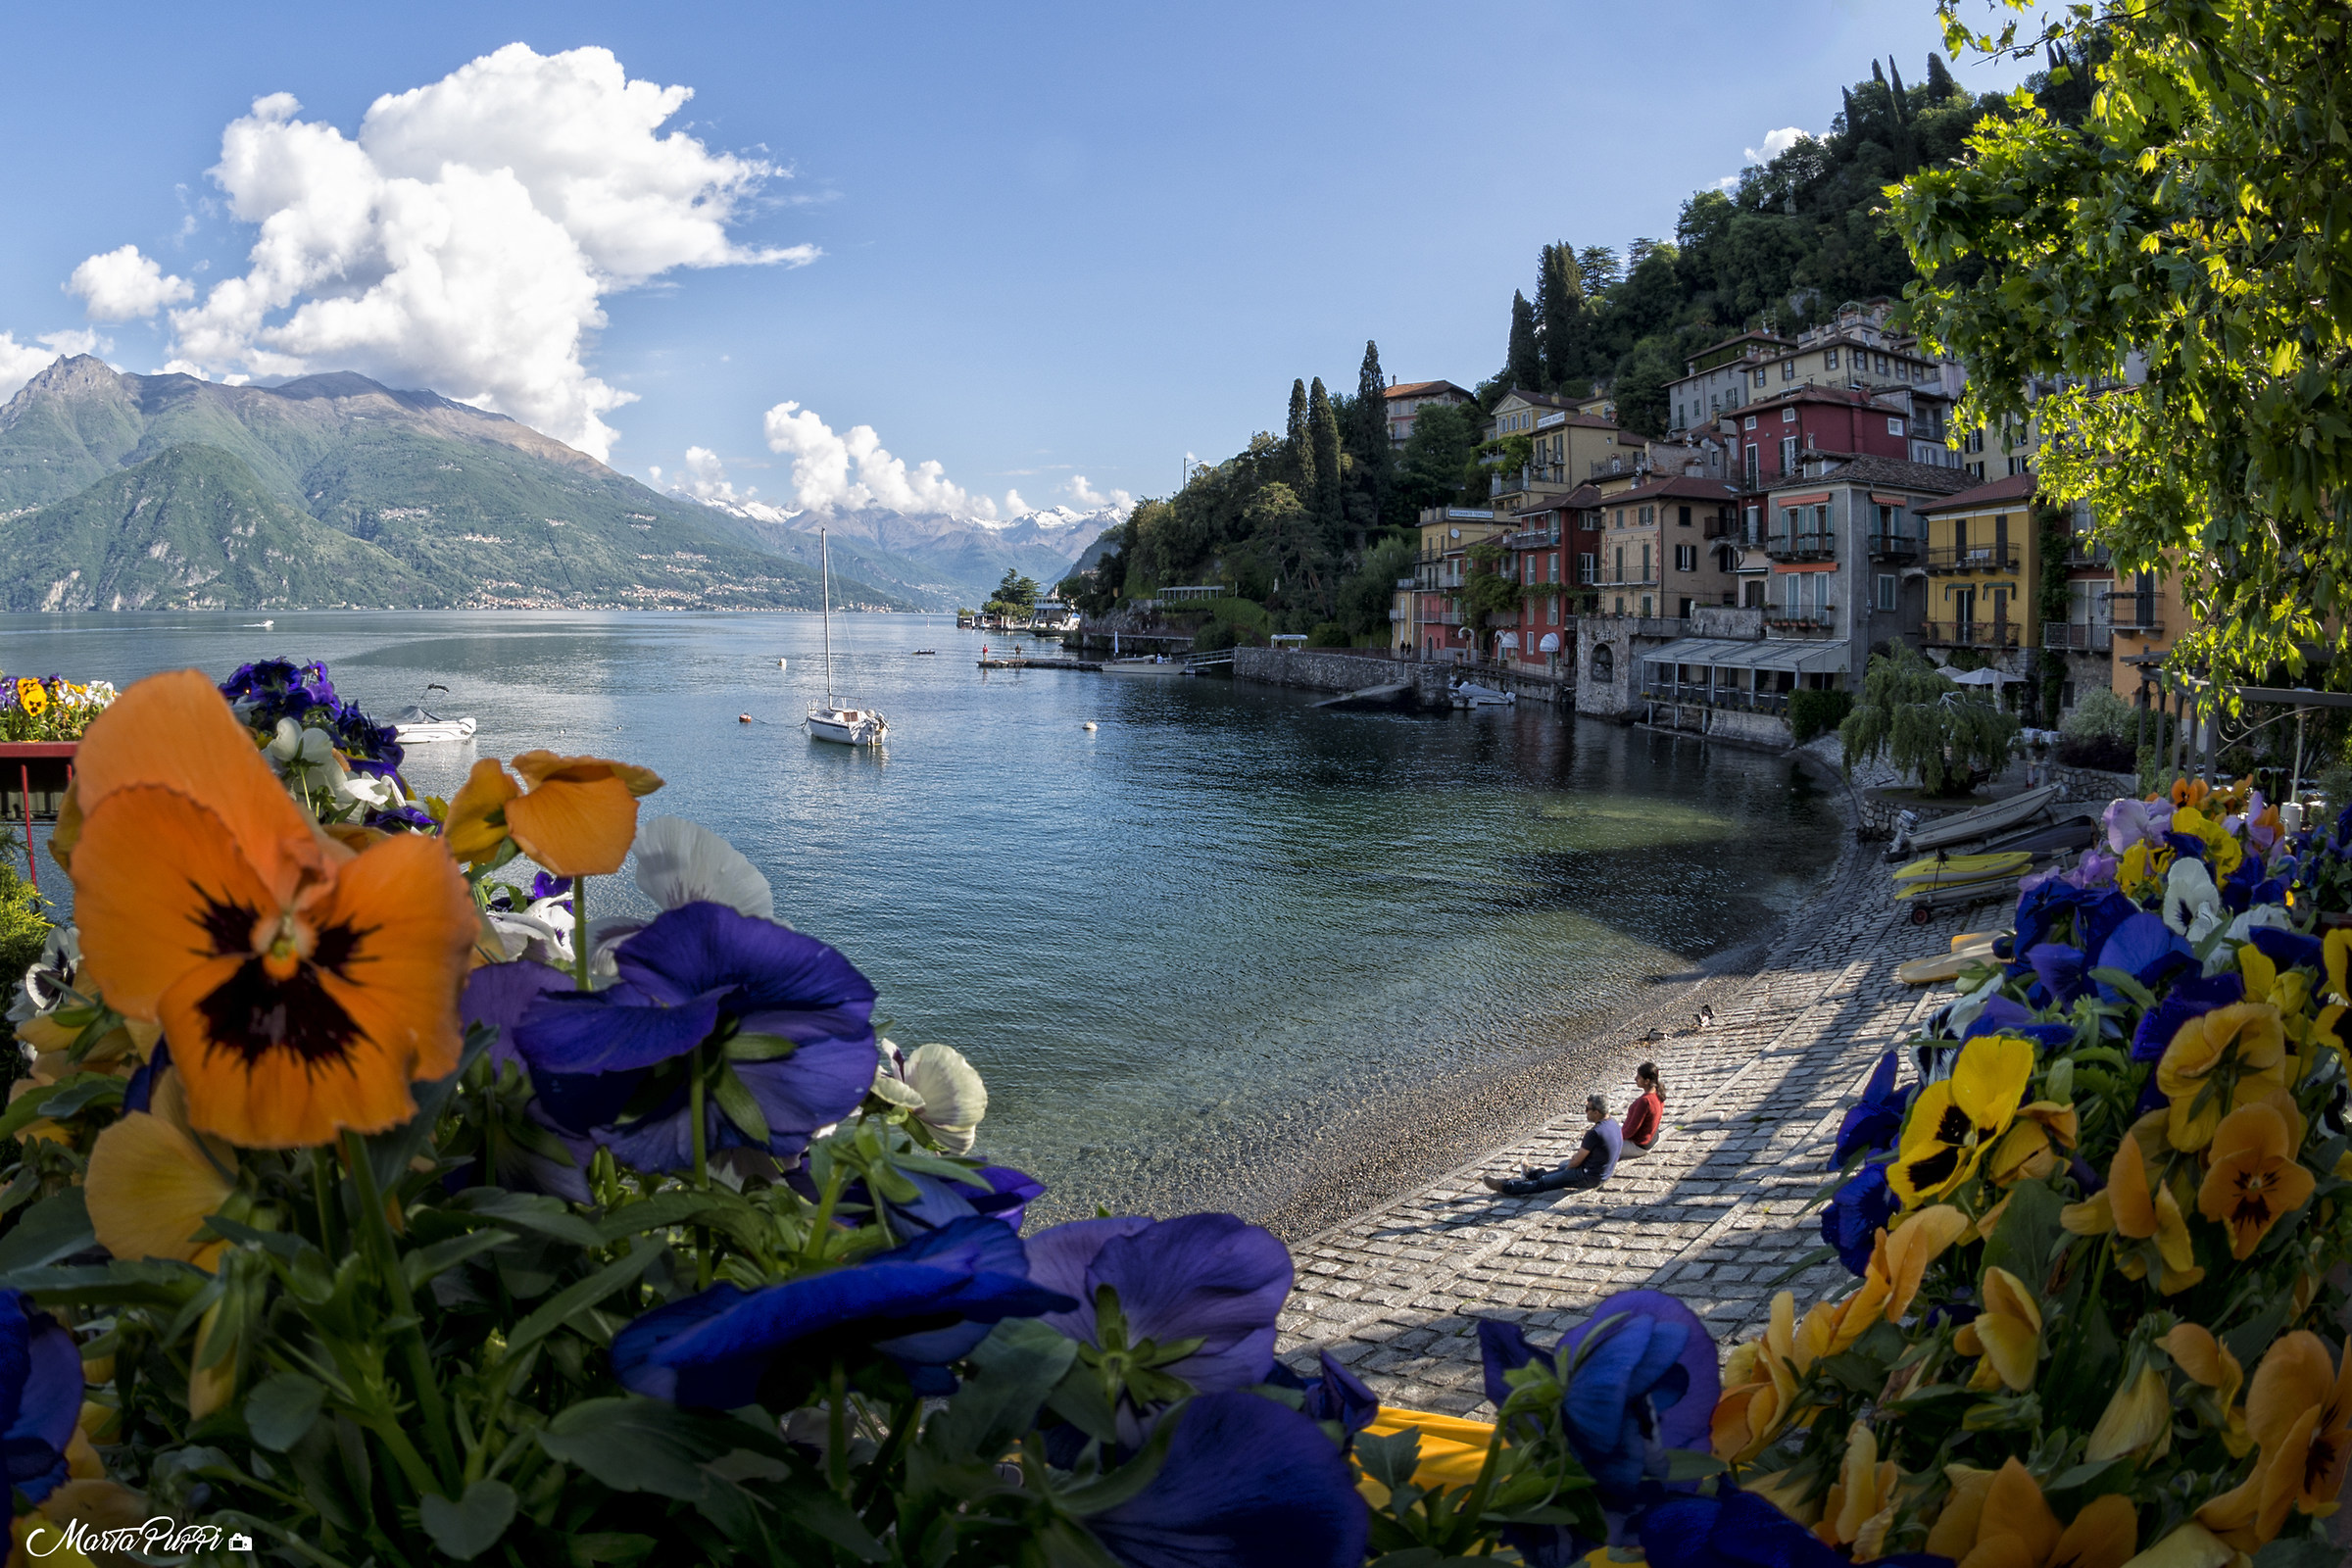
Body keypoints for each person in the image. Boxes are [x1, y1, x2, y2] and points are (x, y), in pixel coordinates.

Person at [1483, 1096, 1621, 1196]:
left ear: (1596, 1112)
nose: (1585, 1111)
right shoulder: (1612, 1123)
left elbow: (1576, 1161)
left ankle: (1506, 1187)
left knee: (1545, 1182)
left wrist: (1566, 1172)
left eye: (1587, 1109)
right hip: (1603, 1173)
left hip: (1589, 1177)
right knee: (1561, 1166)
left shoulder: (1594, 1133)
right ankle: (1531, 1173)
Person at [1620, 1063, 1664, 1157]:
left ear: (1647, 1081)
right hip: (1651, 1138)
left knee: (1599, 1145)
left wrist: (1613, 1138)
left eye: (1638, 1077)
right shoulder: (1658, 1093)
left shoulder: (1645, 1101)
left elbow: (1630, 1131)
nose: (1635, 1079)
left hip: (1639, 1146)